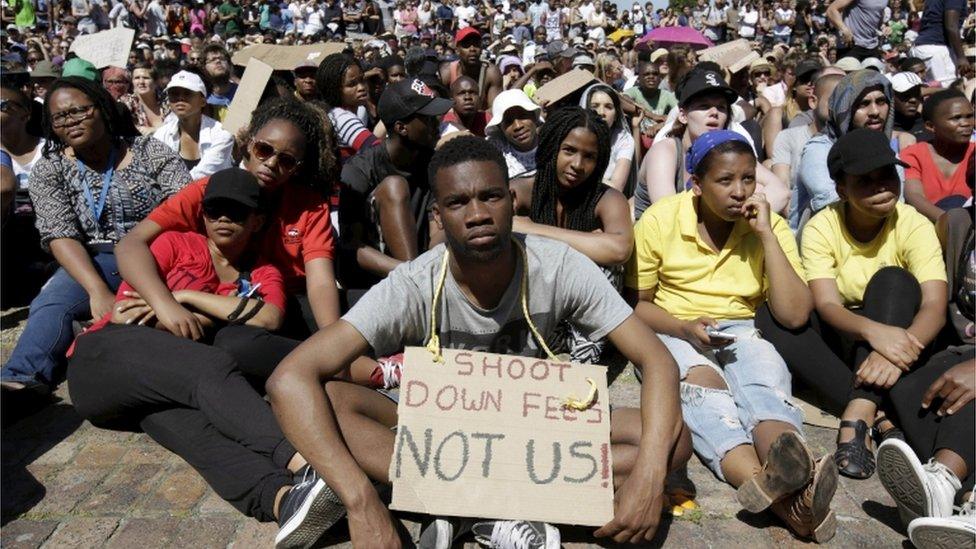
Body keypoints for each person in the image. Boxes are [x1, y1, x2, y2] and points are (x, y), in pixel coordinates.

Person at [265, 134, 690, 548]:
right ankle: (504, 508)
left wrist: (651, 479)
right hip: (446, 434)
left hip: (536, 428)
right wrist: (360, 502)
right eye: (457, 202)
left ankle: (462, 506)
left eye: (491, 196)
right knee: (334, 400)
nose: (477, 214)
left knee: (673, 439)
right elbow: (289, 378)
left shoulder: (559, 265)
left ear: (512, 199)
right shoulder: (415, 283)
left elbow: (657, 361)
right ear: (438, 215)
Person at [66, 169, 333, 543]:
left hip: (149, 391)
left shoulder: (261, 272)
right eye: (214, 211)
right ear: (202, 214)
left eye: (236, 212)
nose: (223, 219)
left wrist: (185, 299)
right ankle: (310, 465)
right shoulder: (175, 244)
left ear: (257, 221)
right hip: (102, 358)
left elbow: (270, 317)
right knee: (211, 365)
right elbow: (127, 315)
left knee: (193, 431)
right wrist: (182, 309)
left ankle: (282, 500)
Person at [627, 129, 837, 542]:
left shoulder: (767, 225)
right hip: (672, 327)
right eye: (725, 181)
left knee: (765, 385)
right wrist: (683, 328)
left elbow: (794, 314)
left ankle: (790, 472)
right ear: (696, 183)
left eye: (747, 179)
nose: (740, 191)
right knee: (702, 391)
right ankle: (785, 499)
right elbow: (638, 305)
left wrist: (766, 236)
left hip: (739, 329)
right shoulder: (661, 219)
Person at [759, 129, 948, 480]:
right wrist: (874, 334)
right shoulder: (822, 227)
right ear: (842, 189)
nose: (881, 187)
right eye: (865, 180)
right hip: (852, 333)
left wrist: (896, 348)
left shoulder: (913, 224)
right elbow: (827, 305)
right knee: (772, 318)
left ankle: (859, 412)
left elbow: (934, 306)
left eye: (887, 176)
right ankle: (881, 413)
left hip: (908, 337)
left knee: (893, 279)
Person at [0, 76, 190, 394]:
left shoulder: (148, 151)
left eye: (79, 111)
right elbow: (58, 233)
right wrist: (96, 290)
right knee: (51, 303)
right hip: (95, 258)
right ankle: (20, 380)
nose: (70, 121)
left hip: (158, 252)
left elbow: (184, 204)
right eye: (59, 117)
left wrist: (138, 241)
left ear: (101, 108)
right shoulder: (51, 168)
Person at [117, 98, 340, 338]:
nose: (271, 163)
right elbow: (131, 243)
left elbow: (320, 283)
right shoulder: (208, 191)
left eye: (286, 160)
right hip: (220, 302)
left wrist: (332, 341)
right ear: (249, 144)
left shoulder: (309, 205)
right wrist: (165, 303)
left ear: (298, 167)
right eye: (263, 149)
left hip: (286, 303)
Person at [876, 193, 975, 549]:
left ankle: (944, 482)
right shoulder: (959, 225)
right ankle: (959, 497)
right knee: (914, 393)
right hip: (963, 350)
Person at [510, 106, 632, 363]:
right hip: (534, 314)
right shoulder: (521, 191)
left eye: (589, 156)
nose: (578, 164)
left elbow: (619, 250)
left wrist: (531, 229)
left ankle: (581, 368)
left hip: (584, 323)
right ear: (553, 146)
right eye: (569, 151)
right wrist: (590, 241)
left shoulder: (607, 198)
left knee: (609, 269)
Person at [337, 78, 451, 289]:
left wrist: (426, 270)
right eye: (427, 118)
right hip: (370, 280)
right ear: (401, 127)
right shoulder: (359, 170)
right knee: (394, 186)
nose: (437, 123)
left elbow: (438, 229)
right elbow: (353, 246)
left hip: (421, 271)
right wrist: (409, 273)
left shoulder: (433, 163)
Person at [637, 69, 788, 221]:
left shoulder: (728, 151)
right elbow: (667, 213)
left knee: (757, 191)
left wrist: (740, 220)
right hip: (662, 239)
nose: (714, 112)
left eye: (721, 107)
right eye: (704, 106)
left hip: (713, 238)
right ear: (683, 116)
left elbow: (780, 192)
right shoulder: (665, 150)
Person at [793, 69, 915, 229]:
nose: (875, 112)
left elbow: (896, 202)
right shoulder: (820, 149)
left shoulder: (884, 146)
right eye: (863, 104)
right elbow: (832, 203)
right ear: (844, 108)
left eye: (881, 102)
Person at [900, 89, 974, 222]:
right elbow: (914, 196)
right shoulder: (914, 154)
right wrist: (949, 223)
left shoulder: (974, 153)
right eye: (956, 118)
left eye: (969, 116)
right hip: (930, 227)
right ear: (930, 126)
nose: (966, 123)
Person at [153, 70, 234, 180]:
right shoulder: (161, 135)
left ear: (203, 101)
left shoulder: (221, 134)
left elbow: (203, 175)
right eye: (174, 93)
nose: (180, 98)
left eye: (187, 93)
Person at [772, 73, 843, 196]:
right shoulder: (788, 137)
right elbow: (782, 187)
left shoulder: (851, 139)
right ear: (813, 101)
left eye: (845, 102)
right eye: (833, 101)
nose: (840, 108)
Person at [316, 54, 378, 163]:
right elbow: (377, 151)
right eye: (352, 84)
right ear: (335, 90)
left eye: (362, 80)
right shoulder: (342, 118)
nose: (361, 88)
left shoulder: (352, 111)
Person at [580, 84, 636, 192]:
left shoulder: (623, 139)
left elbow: (616, 187)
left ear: (616, 115)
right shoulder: (575, 136)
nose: (601, 112)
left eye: (608, 107)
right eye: (594, 106)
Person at [910, 0, 971, 87]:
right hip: (937, 48)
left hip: (923, 47)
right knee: (949, 93)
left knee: (933, 94)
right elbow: (951, 26)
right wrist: (961, 57)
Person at [440, 27, 503, 110]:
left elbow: (495, 109)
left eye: (476, 44)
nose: (472, 49)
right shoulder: (447, 72)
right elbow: (440, 108)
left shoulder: (491, 73)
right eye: (466, 45)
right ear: (457, 50)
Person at [485, 89, 542, 180]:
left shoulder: (553, 144)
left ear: (534, 116)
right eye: (508, 121)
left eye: (522, 116)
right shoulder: (495, 154)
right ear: (500, 128)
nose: (518, 126)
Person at [119, 62, 169, 134]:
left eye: (146, 78)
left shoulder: (167, 102)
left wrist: (155, 130)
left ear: (156, 82)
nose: (141, 82)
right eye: (137, 78)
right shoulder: (126, 103)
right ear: (132, 82)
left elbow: (177, 126)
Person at [889, 71, 931, 142]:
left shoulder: (929, 124)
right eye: (906, 94)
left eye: (917, 94)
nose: (913, 100)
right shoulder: (884, 128)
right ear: (892, 96)